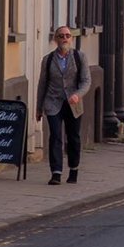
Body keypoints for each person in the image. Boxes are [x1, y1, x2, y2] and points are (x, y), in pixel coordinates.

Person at [36, 26, 91, 186]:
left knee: (73, 137)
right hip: (53, 102)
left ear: (71, 39)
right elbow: (42, 84)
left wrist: (77, 94)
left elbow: (86, 81)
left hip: (74, 103)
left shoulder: (79, 57)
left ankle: (73, 169)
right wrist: (39, 108)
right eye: (61, 36)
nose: (65, 38)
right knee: (55, 136)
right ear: (56, 40)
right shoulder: (48, 60)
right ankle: (56, 173)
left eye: (68, 36)